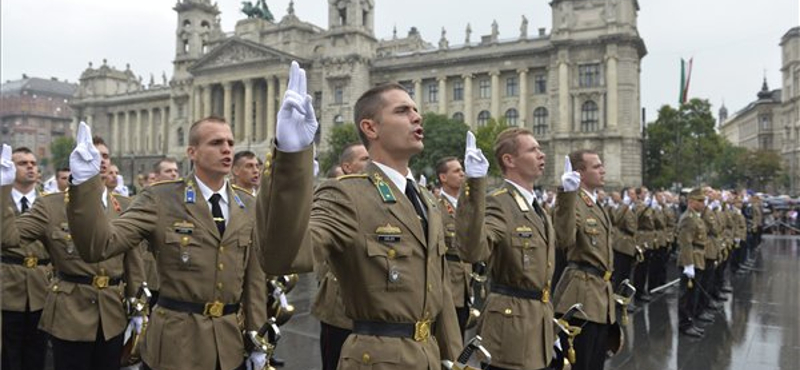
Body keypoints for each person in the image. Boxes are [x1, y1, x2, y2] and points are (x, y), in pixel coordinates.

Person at [256, 62, 474, 369]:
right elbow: (283, 257)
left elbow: (440, 300)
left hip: (428, 357)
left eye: (415, 109)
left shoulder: (426, 200)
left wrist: (454, 359)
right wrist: (291, 157)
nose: (417, 116)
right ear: (370, 128)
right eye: (402, 111)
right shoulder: (347, 195)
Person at [65, 119, 268, 370]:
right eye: (216, 143)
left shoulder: (247, 205)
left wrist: (257, 337)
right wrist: (84, 184)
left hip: (228, 346)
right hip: (176, 344)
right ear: (192, 152)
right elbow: (100, 246)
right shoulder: (161, 199)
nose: (226, 149)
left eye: (230, 143)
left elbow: (254, 279)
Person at [1, 138, 146, 370]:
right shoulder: (51, 206)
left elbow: (133, 260)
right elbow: (7, 238)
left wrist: (137, 307)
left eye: (105, 156)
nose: (101, 161)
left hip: (112, 311)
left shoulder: (125, 205)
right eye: (93, 156)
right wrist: (2, 190)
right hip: (71, 312)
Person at [457, 127, 555, 370]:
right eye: (533, 150)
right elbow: (472, 251)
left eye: (540, 149)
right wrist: (474, 183)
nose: (541, 155)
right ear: (509, 160)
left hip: (538, 322)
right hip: (511, 329)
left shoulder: (534, 206)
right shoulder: (499, 203)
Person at [552, 150, 616, 370]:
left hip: (600, 293)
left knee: (595, 361)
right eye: (596, 166)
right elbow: (564, 238)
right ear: (579, 173)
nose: (603, 170)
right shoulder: (573, 201)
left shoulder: (594, 203)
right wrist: (567, 196)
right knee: (581, 361)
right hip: (581, 294)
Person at [313, 143, 369, 370]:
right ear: (347, 166)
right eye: (365, 158)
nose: (371, 162)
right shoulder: (335, 196)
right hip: (340, 305)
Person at [1, 147, 50, 370]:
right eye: (22, 163)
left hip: (42, 285)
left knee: (37, 351)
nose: (30, 166)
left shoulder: (49, 203)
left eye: (33, 162)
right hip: (8, 285)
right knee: (9, 351)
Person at [435, 156, 472, 338]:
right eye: (456, 171)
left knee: (462, 333)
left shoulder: (466, 206)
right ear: (443, 177)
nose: (462, 174)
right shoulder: (437, 207)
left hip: (466, 282)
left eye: (462, 169)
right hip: (449, 282)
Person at [676, 189, 708, 338]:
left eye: (703, 201)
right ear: (691, 202)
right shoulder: (688, 218)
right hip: (692, 259)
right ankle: (684, 324)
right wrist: (688, 264)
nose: (703, 204)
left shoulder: (696, 216)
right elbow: (686, 243)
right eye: (699, 201)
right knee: (687, 295)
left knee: (693, 294)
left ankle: (690, 322)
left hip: (698, 257)